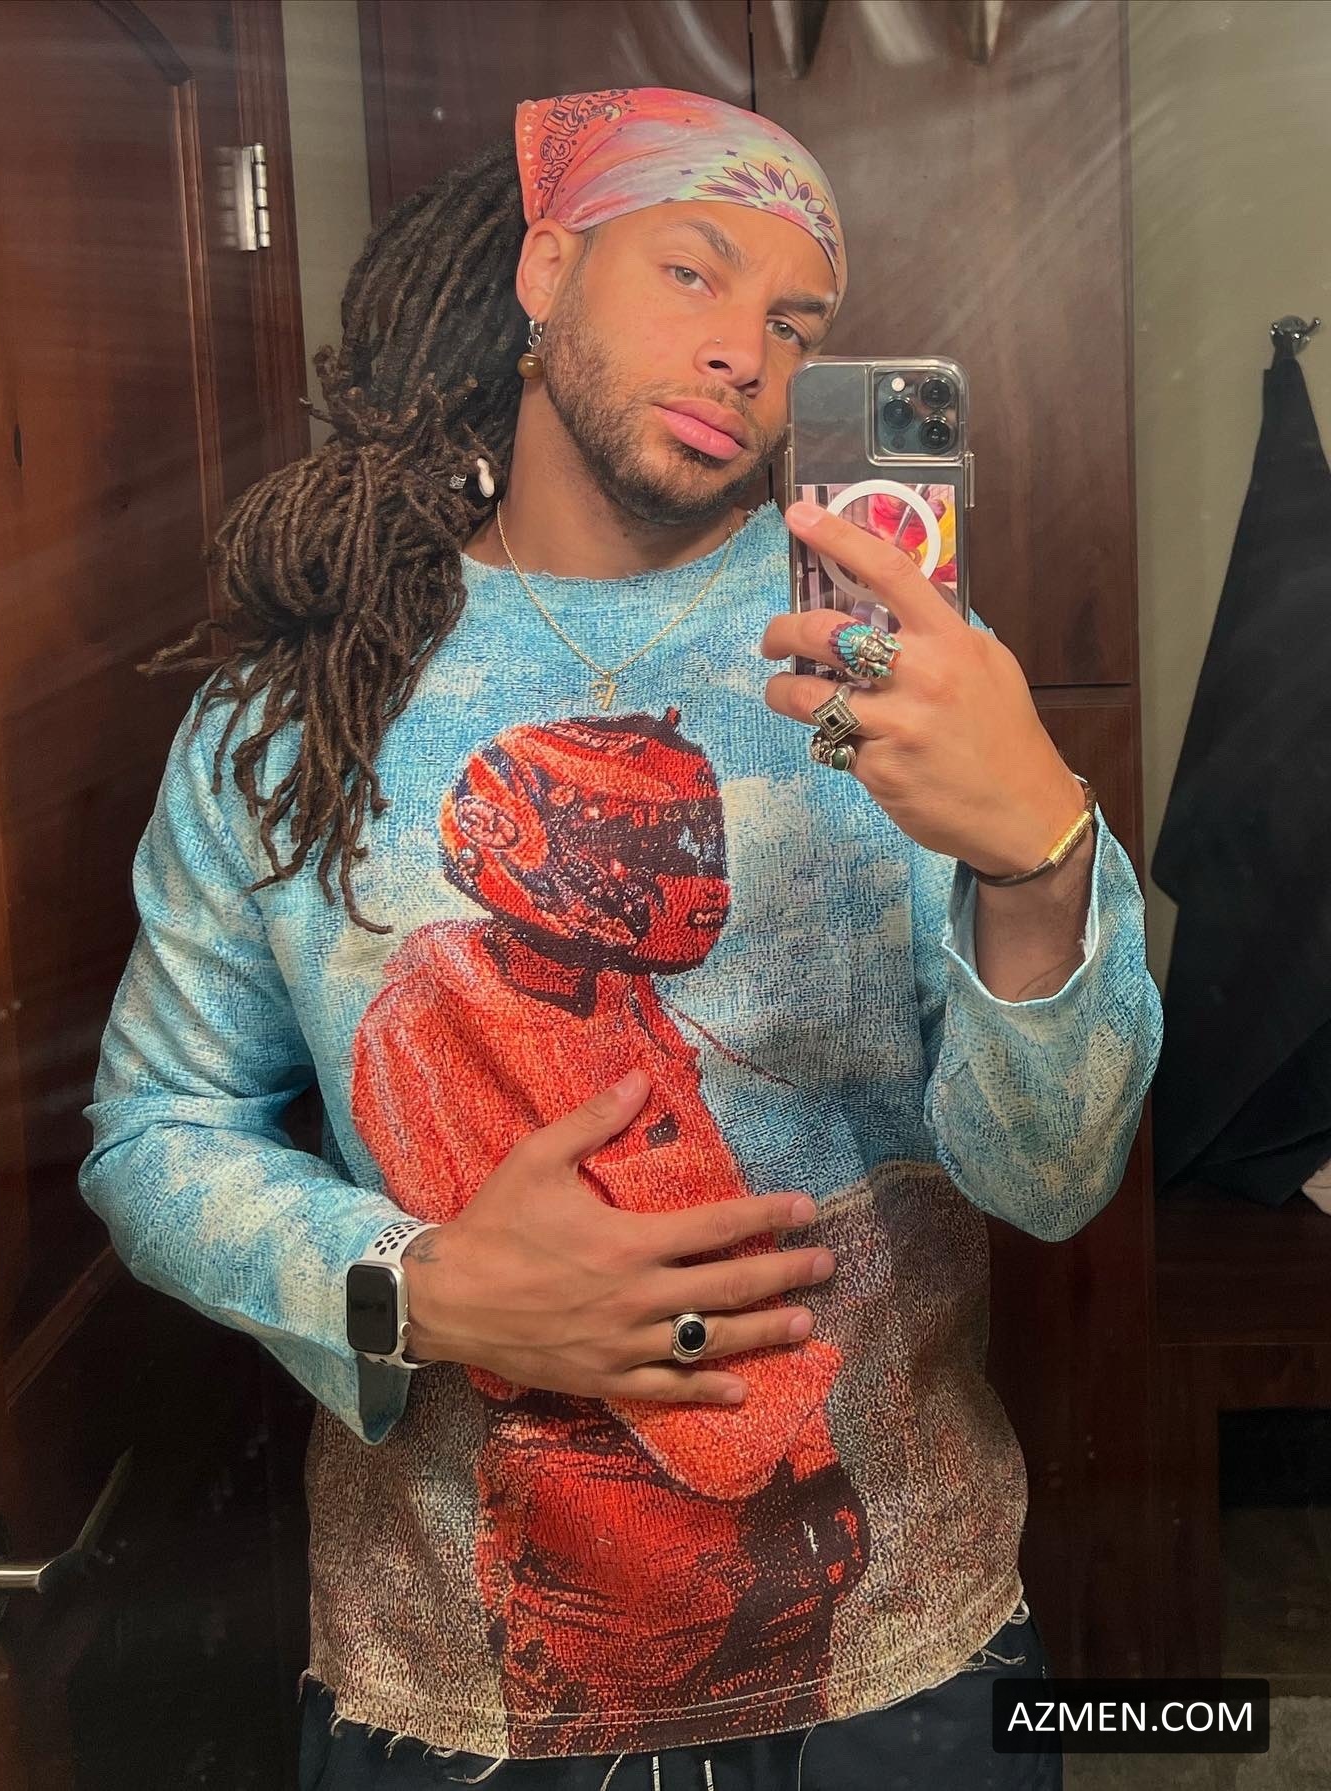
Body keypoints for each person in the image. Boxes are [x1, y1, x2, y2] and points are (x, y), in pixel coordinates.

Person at [81, 86, 1162, 1791]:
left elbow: (1050, 1181)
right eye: (692, 272)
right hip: (470, 1682)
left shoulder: (901, 681)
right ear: (546, 269)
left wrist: (1039, 859)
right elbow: (156, 1130)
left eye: (796, 322)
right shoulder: (299, 708)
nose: (746, 352)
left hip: (902, 1653)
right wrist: (415, 1288)